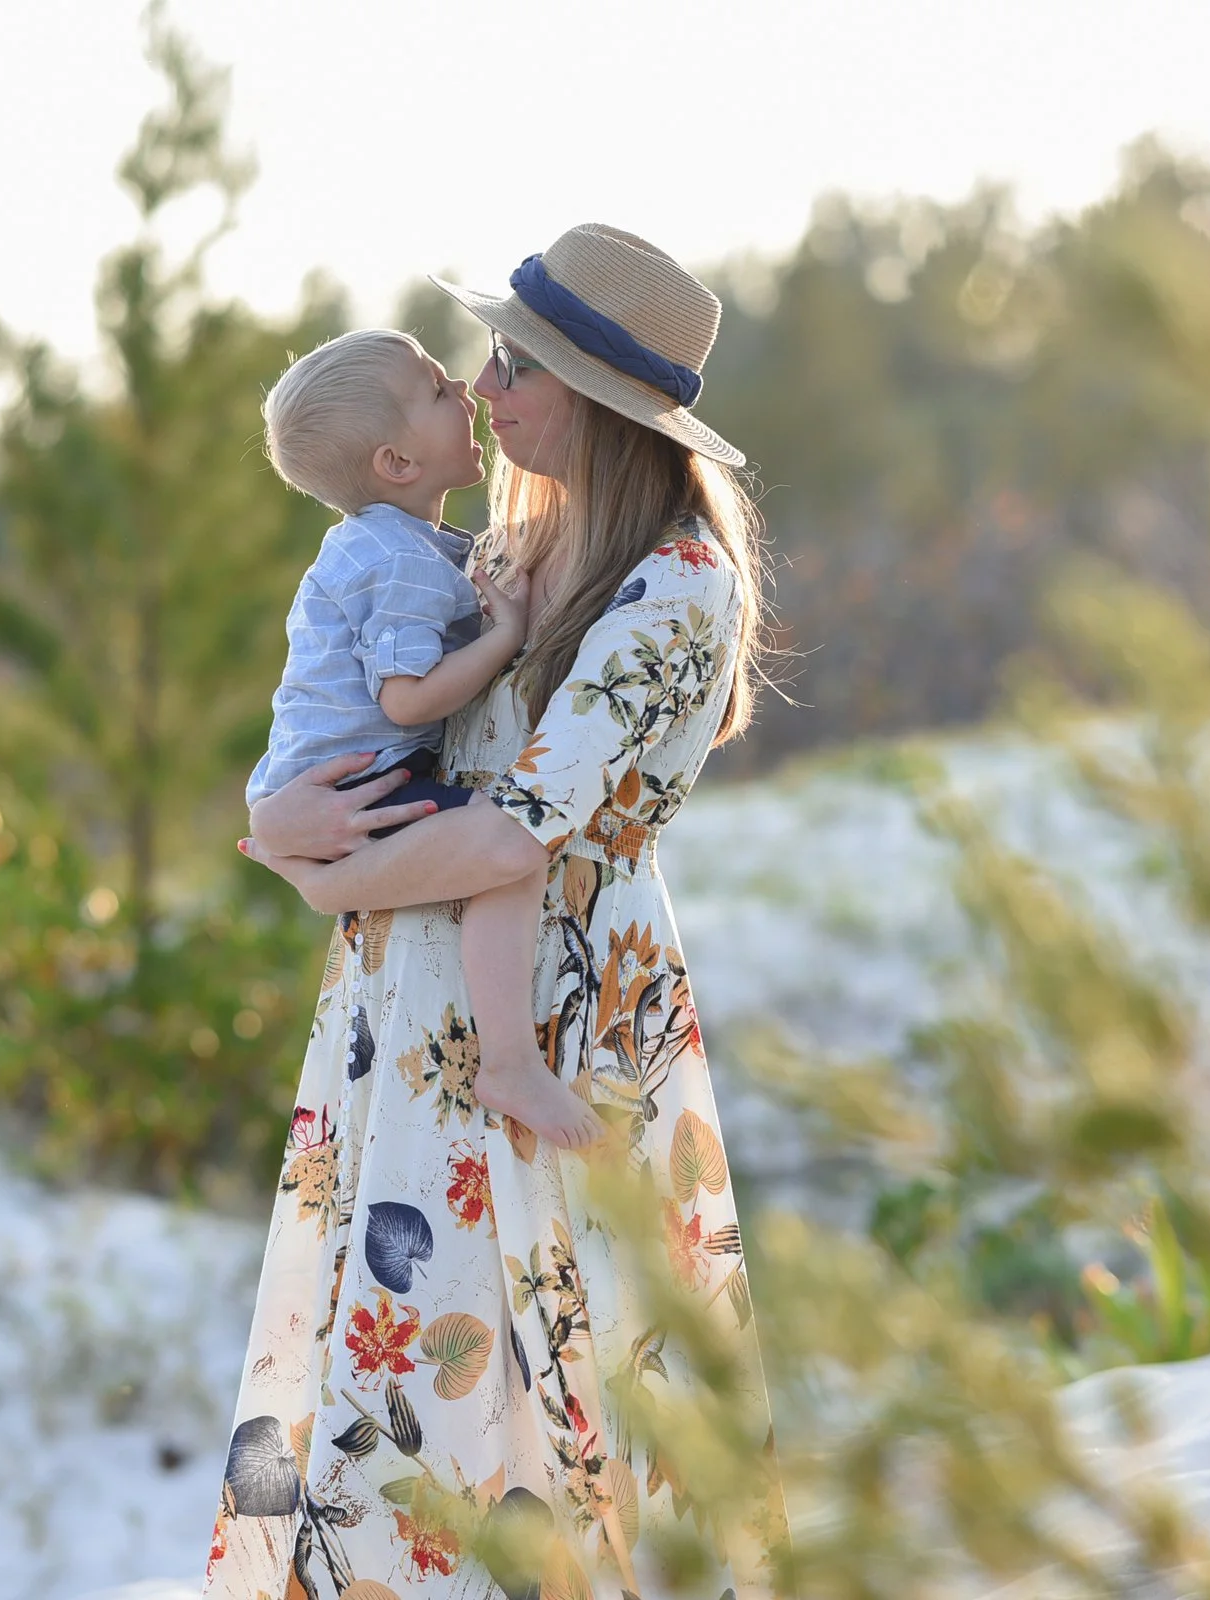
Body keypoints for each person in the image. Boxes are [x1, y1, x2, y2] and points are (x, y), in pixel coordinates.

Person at [204, 224, 786, 1600]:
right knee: (413, 1361)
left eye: (513, 365)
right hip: (415, 1007)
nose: (482, 388)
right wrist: (277, 810)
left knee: (573, 1357)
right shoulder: (508, 550)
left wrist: (311, 865)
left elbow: (526, 829)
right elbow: (346, 705)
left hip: (566, 1002)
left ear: (593, 397)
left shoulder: (679, 585)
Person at [249, 328, 601, 1150]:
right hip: (363, 779)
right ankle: (509, 1061)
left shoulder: (392, 547)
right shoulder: (398, 561)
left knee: (497, 845)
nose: (470, 393)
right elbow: (406, 702)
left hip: (332, 779)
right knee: (507, 854)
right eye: (441, 390)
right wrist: (502, 636)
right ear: (397, 463)